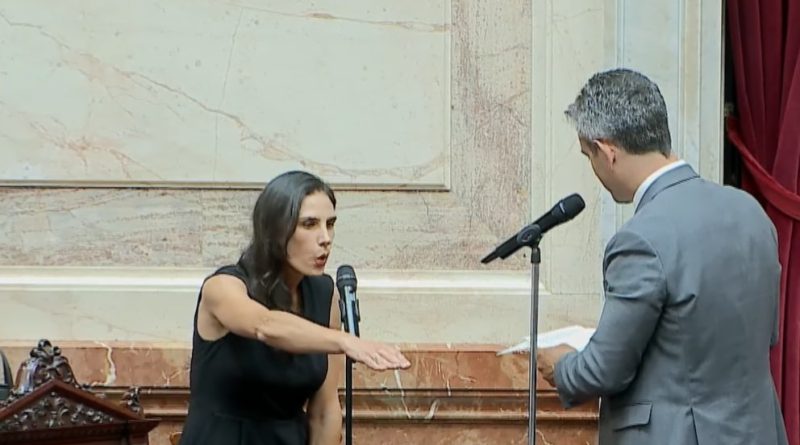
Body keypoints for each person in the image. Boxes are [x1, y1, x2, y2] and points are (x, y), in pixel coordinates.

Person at [536, 69, 788, 445]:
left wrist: (561, 365)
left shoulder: (640, 238)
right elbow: (764, 335)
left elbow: (603, 371)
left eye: (589, 156)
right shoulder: (751, 212)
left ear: (607, 151)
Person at [179, 170, 410, 445]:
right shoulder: (223, 286)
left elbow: (324, 411)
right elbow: (265, 325)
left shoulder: (324, 295)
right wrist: (345, 341)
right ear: (275, 229)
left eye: (330, 224)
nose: (325, 238)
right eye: (309, 224)